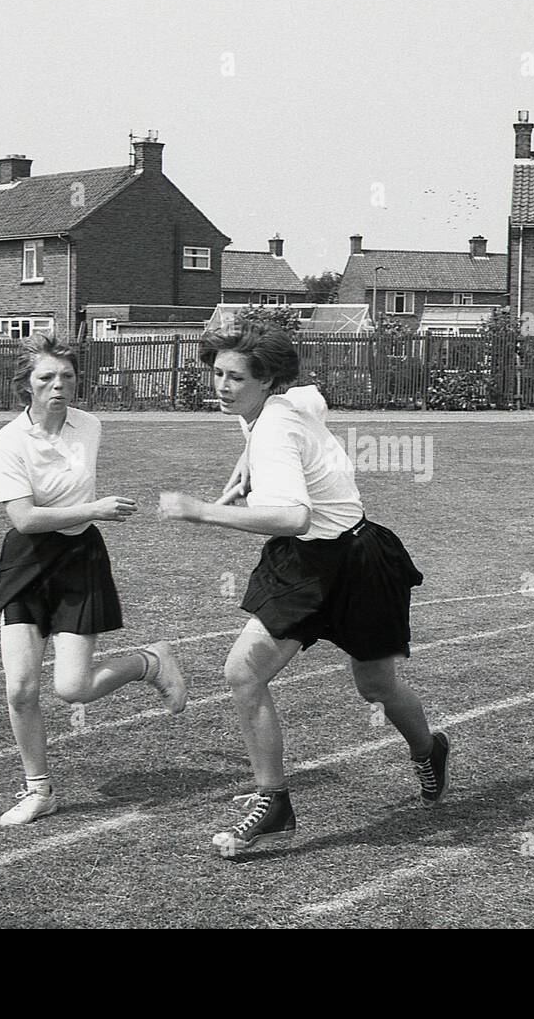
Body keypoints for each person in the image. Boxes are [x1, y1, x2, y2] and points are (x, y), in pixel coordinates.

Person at [157, 316, 449, 857]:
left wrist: (198, 511)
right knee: (243, 671)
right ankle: (275, 801)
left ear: (267, 382)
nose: (222, 386)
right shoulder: (288, 402)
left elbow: (291, 515)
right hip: (303, 566)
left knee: (376, 687)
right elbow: (314, 397)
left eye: (236, 378)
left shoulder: (273, 427)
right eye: (218, 373)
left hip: (359, 562)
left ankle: (429, 749)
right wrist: (244, 464)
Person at [0, 335, 187, 827]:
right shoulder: (9, 441)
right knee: (20, 690)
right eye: (46, 378)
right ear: (25, 387)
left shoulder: (89, 425)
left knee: (72, 688)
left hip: (79, 559)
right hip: (28, 560)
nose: (58, 385)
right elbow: (24, 520)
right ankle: (39, 791)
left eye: (67, 377)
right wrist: (94, 509)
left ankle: (149, 662)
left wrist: (86, 518)